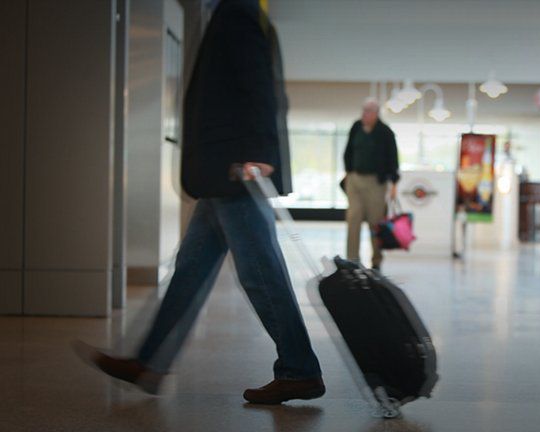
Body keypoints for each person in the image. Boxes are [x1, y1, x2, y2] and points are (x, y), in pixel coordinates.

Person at [74, 0, 324, 405]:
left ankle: (299, 370)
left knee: (260, 272)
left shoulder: (237, 13)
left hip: (235, 170)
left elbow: (258, 87)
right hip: (222, 171)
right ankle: (148, 362)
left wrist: (258, 155)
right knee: (190, 270)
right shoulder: (229, 14)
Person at [342, 98, 400, 271]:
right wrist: (348, 172)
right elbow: (348, 151)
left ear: (376, 113)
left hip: (376, 182)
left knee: (375, 222)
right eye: (363, 110)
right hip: (355, 179)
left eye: (368, 111)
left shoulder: (385, 132)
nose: (364, 114)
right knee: (353, 218)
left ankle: (376, 260)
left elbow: (393, 159)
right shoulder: (356, 127)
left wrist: (394, 184)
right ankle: (352, 260)